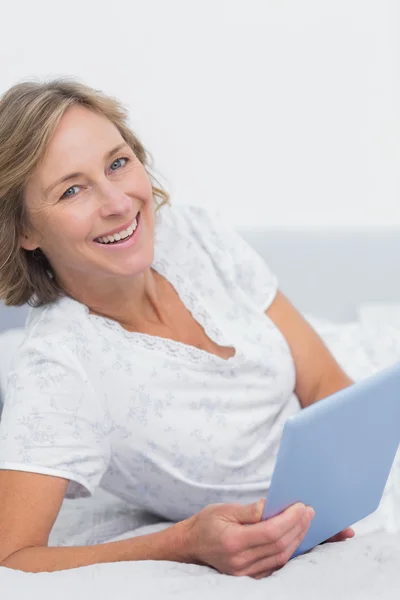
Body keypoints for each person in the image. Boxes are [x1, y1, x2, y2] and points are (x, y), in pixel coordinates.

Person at [0, 78, 355, 576]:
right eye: (72, 189)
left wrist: (341, 486)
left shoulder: (194, 233)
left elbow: (324, 383)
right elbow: (10, 558)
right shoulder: (59, 367)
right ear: (25, 231)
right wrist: (184, 541)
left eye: (118, 163)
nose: (119, 203)